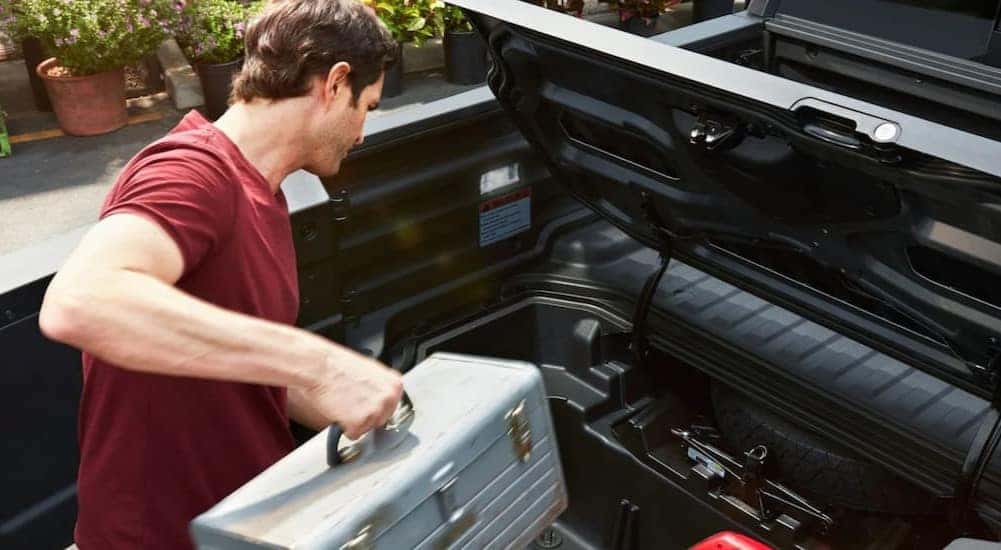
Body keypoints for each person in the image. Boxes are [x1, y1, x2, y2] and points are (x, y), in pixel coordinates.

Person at [37, 1, 402, 548]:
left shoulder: (266, 190)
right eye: (367, 107)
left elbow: (226, 361)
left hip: (241, 521)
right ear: (334, 83)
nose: (363, 133)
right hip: (156, 535)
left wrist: (333, 392)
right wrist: (318, 363)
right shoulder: (190, 172)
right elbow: (82, 301)